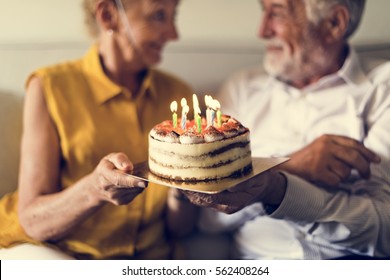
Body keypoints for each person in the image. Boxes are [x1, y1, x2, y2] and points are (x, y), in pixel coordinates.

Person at [184, 0, 390, 259]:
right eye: (264, 12)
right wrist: (288, 168)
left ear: (334, 23)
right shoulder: (242, 89)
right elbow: (206, 217)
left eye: (277, 13)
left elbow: (385, 231)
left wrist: (277, 189)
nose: (262, 31)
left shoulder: (384, 90)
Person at [0, 0, 198, 260]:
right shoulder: (50, 87)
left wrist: (184, 191)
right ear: (108, 16)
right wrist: (95, 189)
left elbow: (181, 230)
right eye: (159, 16)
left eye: (174, 16)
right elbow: (33, 220)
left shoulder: (179, 96)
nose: (174, 34)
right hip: (69, 258)